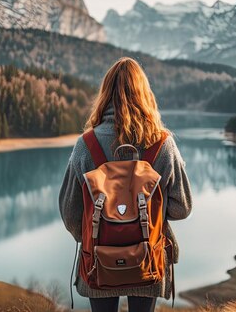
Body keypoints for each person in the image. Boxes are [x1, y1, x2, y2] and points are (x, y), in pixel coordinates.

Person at [58, 57, 192, 312]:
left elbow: (70, 211)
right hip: (147, 262)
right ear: (144, 94)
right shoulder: (163, 144)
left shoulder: (85, 145)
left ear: (105, 94)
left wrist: (95, 234)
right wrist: (147, 217)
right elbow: (182, 207)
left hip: (97, 263)